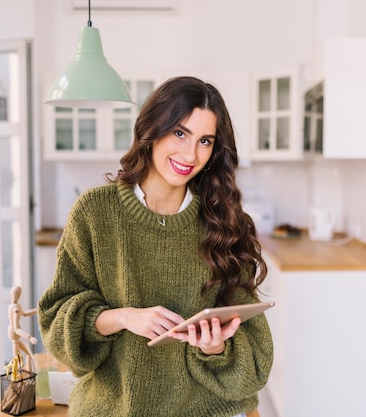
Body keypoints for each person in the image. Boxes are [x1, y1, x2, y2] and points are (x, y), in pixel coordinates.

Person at [38, 76, 273, 417]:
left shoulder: (225, 224)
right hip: (115, 408)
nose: (190, 154)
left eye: (205, 140)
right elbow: (56, 325)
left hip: (206, 409)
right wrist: (122, 317)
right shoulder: (94, 212)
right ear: (151, 129)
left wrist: (216, 346)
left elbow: (255, 364)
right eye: (180, 133)